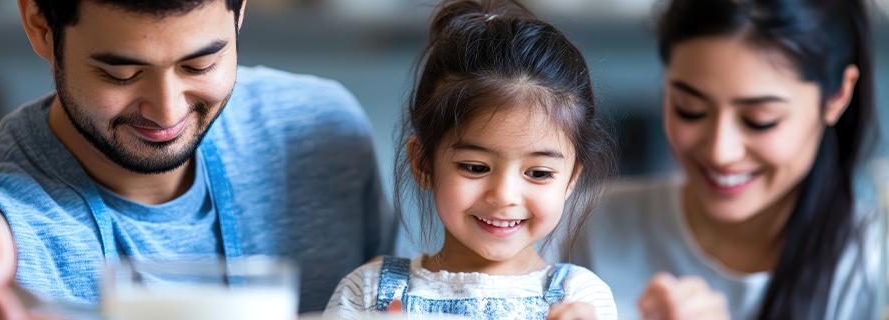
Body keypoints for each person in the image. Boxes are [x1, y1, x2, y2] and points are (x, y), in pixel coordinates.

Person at [0, 0, 393, 318]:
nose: (167, 111)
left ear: (241, 12)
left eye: (200, 65)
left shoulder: (323, 133)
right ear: (40, 26)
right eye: (121, 74)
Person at [564, 0, 882, 319]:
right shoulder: (585, 225)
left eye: (760, 119)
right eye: (690, 110)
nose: (721, 152)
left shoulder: (873, 267)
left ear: (838, 96)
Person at [324, 1, 618, 319]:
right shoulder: (367, 292)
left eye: (538, 173)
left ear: (571, 179)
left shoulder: (580, 299)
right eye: (475, 167)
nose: (504, 196)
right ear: (423, 163)